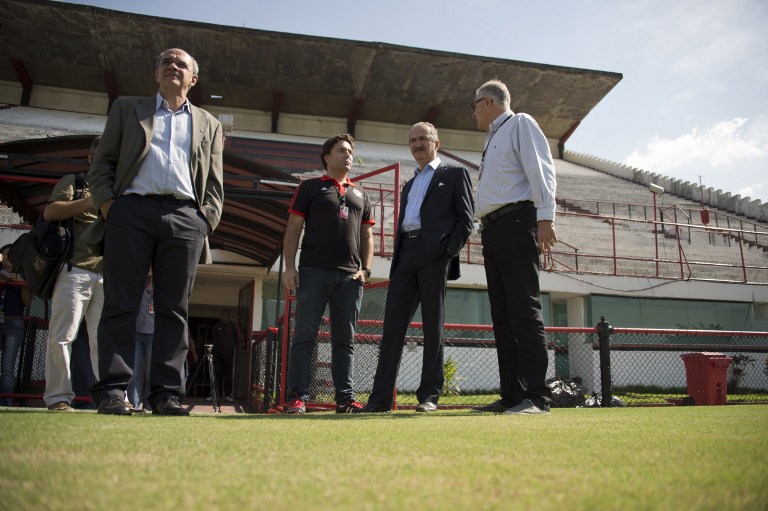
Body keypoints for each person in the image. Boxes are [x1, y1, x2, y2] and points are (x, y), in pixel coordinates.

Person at [87, 48, 224, 416]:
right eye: (166, 61)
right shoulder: (127, 109)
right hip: (130, 211)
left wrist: (204, 219)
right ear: (156, 73)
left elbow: (214, 180)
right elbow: (103, 165)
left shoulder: (209, 123)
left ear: (193, 78)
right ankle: (114, 391)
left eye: (181, 63)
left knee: (173, 310)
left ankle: (165, 394)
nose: (173, 66)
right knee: (121, 302)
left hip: (184, 216)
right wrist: (108, 207)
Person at [358, 122, 474, 413]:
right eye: (413, 140)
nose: (417, 144)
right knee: (392, 329)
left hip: (434, 254)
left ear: (437, 142)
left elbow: (467, 220)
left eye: (423, 139)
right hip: (405, 255)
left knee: (433, 326)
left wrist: (447, 250)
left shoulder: (455, 174)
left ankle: (429, 397)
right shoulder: (408, 184)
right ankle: (380, 399)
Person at [470, 79, 557, 415]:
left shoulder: (519, 123)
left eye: (474, 105)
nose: (473, 113)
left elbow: (541, 168)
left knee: (523, 309)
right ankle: (511, 395)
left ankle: (536, 396)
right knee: (502, 316)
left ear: (488, 101)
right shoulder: (492, 139)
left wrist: (545, 217)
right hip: (493, 229)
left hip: (518, 221)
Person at [282, 134, 374, 414]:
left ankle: (345, 399)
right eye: (340, 150)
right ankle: (298, 397)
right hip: (313, 273)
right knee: (304, 337)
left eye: (350, 151)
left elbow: (366, 236)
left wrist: (365, 270)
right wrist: (290, 267)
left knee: (344, 341)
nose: (347, 155)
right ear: (326, 157)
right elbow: (294, 229)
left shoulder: (361, 194)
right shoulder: (309, 187)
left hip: (349, 277)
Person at [42, 136, 104, 412]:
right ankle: (58, 398)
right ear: (91, 158)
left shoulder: (121, 187)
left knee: (104, 339)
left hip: (107, 274)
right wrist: (90, 202)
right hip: (74, 269)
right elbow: (51, 212)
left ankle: (111, 397)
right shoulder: (75, 182)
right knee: (62, 336)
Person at [0, 244, 32, 406]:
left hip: (13, 322)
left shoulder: (23, 274)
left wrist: (18, 281)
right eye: (3, 255)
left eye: (10, 255)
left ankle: (5, 403)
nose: (6, 257)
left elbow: (27, 302)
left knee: (8, 366)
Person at [126, 272, 153, 413]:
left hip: (153, 334)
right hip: (136, 332)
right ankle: (133, 405)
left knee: (150, 373)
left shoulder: (161, 286)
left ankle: (149, 406)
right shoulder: (138, 284)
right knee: (134, 371)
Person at [210, 309, 239, 402]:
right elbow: (213, 337)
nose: (221, 317)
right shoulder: (217, 326)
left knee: (228, 375)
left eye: (222, 315)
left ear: (227, 316)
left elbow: (238, 338)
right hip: (217, 354)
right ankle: (213, 395)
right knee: (216, 374)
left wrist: (235, 350)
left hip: (229, 355)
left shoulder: (233, 326)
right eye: (220, 315)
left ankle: (227, 395)